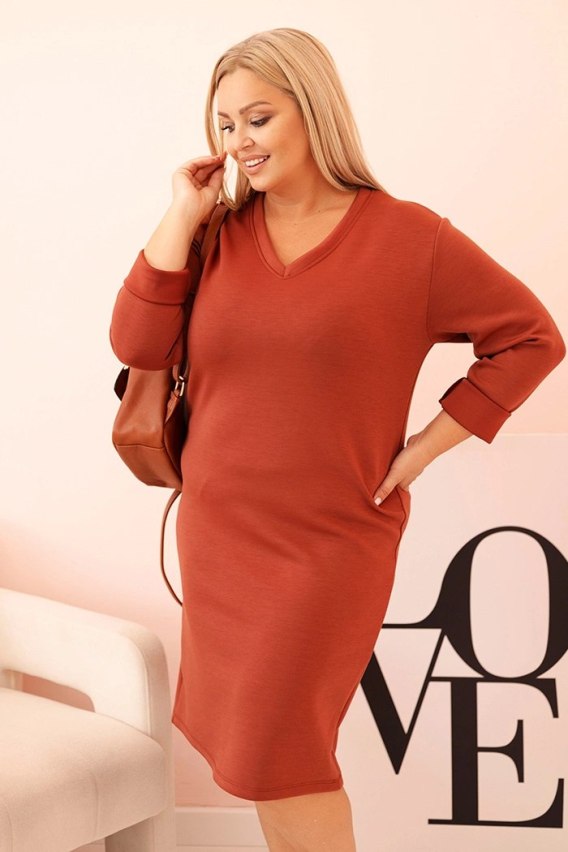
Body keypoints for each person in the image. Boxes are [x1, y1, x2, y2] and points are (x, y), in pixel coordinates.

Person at [109, 26, 566, 852]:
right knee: (259, 757)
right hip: (220, 534)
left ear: (312, 110)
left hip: (330, 544)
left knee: (284, 756)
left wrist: (424, 447)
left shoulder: (410, 239)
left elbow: (533, 338)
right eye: (225, 125)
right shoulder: (215, 235)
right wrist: (181, 211)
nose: (238, 143)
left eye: (258, 119)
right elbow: (136, 343)